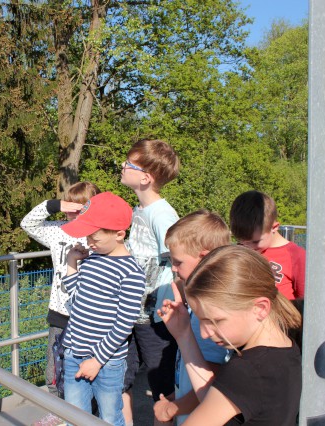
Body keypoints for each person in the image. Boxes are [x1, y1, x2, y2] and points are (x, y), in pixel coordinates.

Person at [158, 245, 302, 425]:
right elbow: (214, 402)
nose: (204, 333)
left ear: (260, 308)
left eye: (215, 321)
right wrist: (184, 334)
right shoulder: (283, 349)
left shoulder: (247, 370)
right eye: (201, 320)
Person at [60, 192, 146, 426]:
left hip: (107, 362)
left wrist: (97, 360)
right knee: (74, 416)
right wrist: (72, 262)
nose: (89, 242)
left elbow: (124, 325)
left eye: (94, 237)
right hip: (74, 352)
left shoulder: (131, 273)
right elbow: (73, 291)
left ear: (119, 234)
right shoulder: (91, 259)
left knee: (109, 417)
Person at [20, 182, 100, 426]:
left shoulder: (98, 235)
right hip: (60, 311)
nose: (71, 213)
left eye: (78, 207)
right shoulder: (58, 229)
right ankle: (59, 412)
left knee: (87, 367)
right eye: (69, 206)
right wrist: (54, 205)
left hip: (89, 312)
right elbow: (28, 223)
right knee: (55, 368)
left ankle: (88, 414)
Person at [119, 138, 180, 425]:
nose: (122, 165)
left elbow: (180, 263)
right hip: (133, 313)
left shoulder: (162, 214)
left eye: (128, 164)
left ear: (145, 178)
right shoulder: (139, 210)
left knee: (162, 389)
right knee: (122, 378)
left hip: (156, 320)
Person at [153, 210, 232, 425]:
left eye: (178, 262)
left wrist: (172, 408)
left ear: (204, 257)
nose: (174, 269)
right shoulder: (199, 304)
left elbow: (211, 381)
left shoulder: (207, 315)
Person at [229, 190, 306, 301]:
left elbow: (306, 304)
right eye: (242, 242)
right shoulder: (240, 250)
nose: (249, 248)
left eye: (255, 242)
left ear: (274, 227)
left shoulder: (297, 256)